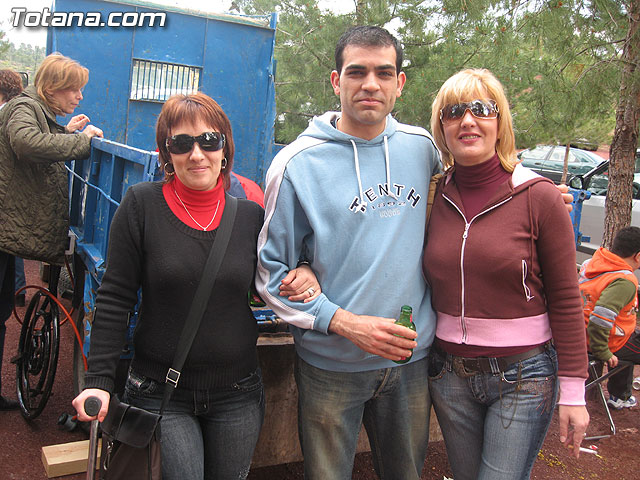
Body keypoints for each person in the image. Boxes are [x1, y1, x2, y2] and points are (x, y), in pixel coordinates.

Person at [72, 92, 320, 479]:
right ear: (165, 153)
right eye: (181, 143)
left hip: (237, 392)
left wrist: (304, 268)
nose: (197, 154)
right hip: (160, 391)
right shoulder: (140, 206)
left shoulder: (251, 216)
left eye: (209, 140)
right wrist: (100, 381)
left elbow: (281, 267)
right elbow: (115, 297)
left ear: (225, 149)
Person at [257, 26, 439, 479]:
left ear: (401, 83)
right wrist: (346, 324)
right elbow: (268, 273)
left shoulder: (422, 149)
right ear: (337, 81)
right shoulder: (297, 164)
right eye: (357, 72)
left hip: (410, 362)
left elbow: (482, 171)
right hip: (330, 367)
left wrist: (531, 185)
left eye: (384, 72)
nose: (370, 84)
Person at [423, 68, 590, 480]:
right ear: (440, 127)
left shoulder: (540, 196)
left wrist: (574, 391)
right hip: (448, 374)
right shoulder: (432, 196)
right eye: (453, 111)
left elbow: (568, 300)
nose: (467, 120)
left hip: (524, 376)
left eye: (482, 108)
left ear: (501, 123)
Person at [0, 55, 103, 411]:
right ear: (51, 89)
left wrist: (66, 132)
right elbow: (27, 143)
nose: (79, 97)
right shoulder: (23, 107)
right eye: (73, 89)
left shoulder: (29, 108)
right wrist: (82, 141)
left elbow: (38, 136)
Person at [580, 226, 640, 409]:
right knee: (629, 341)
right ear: (637, 256)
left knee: (630, 336)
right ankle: (620, 395)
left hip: (582, 333)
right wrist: (603, 351)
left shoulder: (595, 263)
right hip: (605, 340)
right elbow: (600, 319)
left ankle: (620, 396)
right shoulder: (624, 280)